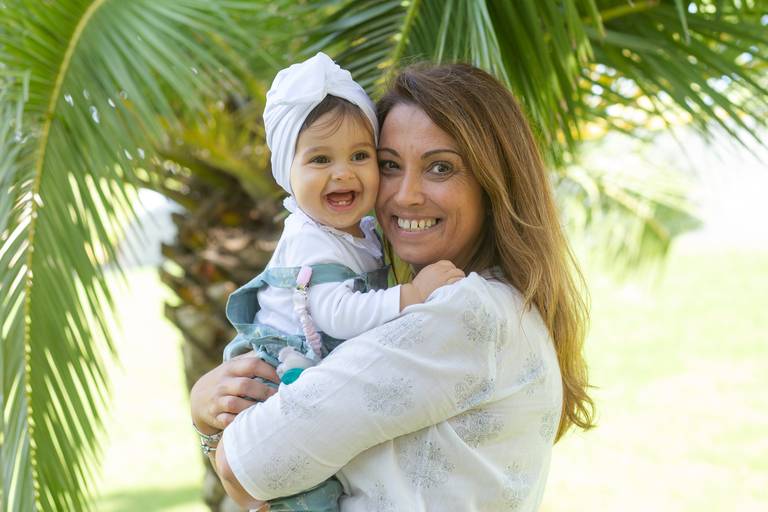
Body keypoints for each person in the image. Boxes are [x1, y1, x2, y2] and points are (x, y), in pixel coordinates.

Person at [190, 62, 595, 511]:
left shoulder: (466, 314)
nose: (405, 195)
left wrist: (211, 427)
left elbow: (248, 462)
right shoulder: (501, 306)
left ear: (494, 182)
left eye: (440, 168)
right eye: (389, 165)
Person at [214, 52, 464, 511]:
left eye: (361, 156)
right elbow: (336, 313)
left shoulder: (357, 233)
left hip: (311, 368)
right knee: (308, 492)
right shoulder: (312, 241)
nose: (343, 172)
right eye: (320, 159)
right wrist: (412, 295)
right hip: (284, 370)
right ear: (286, 175)